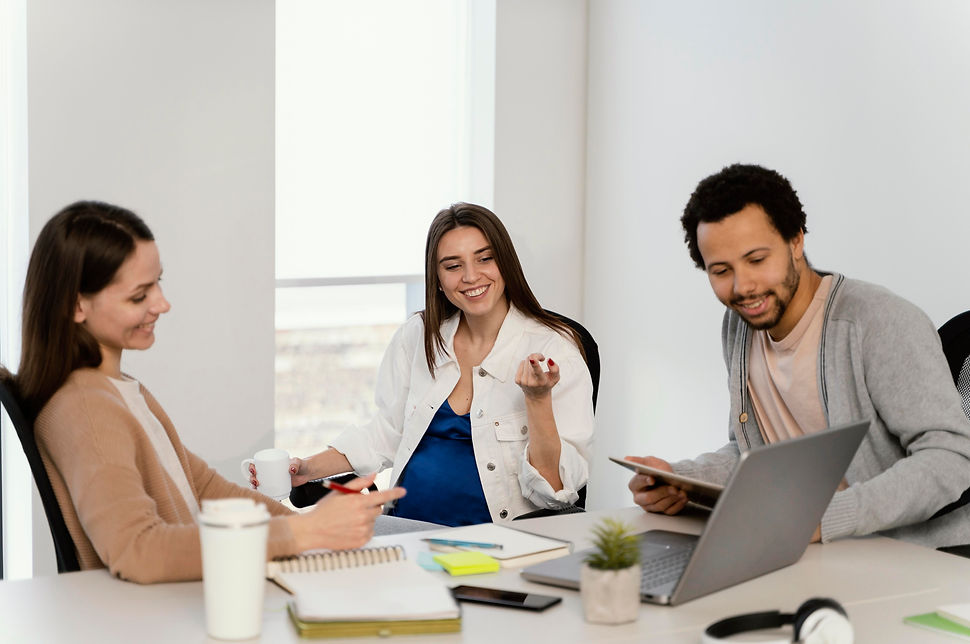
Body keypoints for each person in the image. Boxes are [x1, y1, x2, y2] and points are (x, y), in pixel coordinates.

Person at [0, 201, 404, 583]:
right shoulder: (86, 409)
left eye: (158, 283)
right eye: (140, 295)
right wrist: (304, 534)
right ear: (77, 306)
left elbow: (204, 488)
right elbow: (137, 550)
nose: (162, 304)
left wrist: (310, 528)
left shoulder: (120, 391)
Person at [627, 164, 970, 548]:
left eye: (757, 260)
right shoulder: (740, 326)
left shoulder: (878, 321)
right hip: (811, 549)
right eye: (721, 271)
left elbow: (952, 456)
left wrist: (827, 518)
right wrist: (682, 480)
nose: (742, 287)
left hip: (914, 555)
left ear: (795, 241)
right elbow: (754, 453)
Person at [252, 203, 594, 525]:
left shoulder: (555, 349)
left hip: (493, 541)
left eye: (485, 259)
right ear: (438, 279)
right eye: (453, 266)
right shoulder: (419, 335)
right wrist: (305, 469)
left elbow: (555, 492)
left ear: (505, 262)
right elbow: (386, 432)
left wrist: (537, 399)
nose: (470, 276)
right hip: (404, 528)